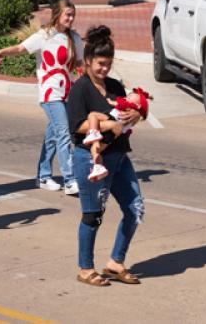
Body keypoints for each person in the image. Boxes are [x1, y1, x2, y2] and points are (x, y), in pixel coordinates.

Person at [67, 25, 144, 286]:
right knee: (93, 215)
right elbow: (77, 125)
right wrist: (109, 125)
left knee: (135, 209)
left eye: (108, 64)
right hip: (92, 159)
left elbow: (126, 115)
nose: (104, 69)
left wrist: (136, 115)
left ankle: (115, 263)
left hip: (119, 156)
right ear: (88, 61)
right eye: (100, 64)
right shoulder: (80, 88)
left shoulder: (114, 86)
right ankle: (85, 268)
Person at [0, 0, 83, 195]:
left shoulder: (74, 38)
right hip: (50, 93)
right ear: (58, 14)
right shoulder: (44, 36)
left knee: (53, 135)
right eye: (67, 14)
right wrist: (0, 52)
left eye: (72, 15)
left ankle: (43, 176)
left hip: (67, 92)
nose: (70, 18)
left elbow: (80, 64)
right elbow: (20, 48)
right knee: (64, 133)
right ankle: (69, 180)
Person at [83, 88, 152, 182]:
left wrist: (110, 101)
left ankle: (93, 133)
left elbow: (118, 104)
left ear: (136, 105)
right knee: (97, 149)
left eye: (129, 97)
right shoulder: (134, 117)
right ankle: (98, 166)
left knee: (93, 115)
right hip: (113, 135)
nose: (126, 97)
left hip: (111, 122)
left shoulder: (128, 108)